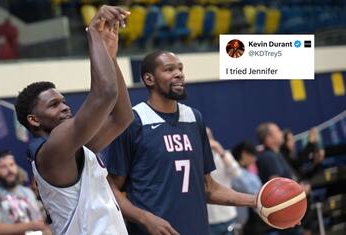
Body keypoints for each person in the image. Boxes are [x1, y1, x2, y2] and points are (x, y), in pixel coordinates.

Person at [104, 50, 257, 235]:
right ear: (149, 79)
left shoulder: (194, 118)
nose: (179, 74)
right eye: (169, 69)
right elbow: (112, 188)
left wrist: (256, 200)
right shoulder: (134, 121)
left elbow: (208, 187)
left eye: (180, 68)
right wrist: (144, 218)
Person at [14, 5, 133, 235]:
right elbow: (105, 93)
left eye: (64, 101)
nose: (65, 107)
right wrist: (93, 34)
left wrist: (110, 57)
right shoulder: (51, 152)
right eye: (53, 104)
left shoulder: (74, 148)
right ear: (34, 120)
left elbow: (121, 117)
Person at [0, 151, 50, 234]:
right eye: (3, 167)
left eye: (12, 165)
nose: (9, 170)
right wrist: (29, 225)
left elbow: (40, 225)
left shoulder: (27, 192)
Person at [206, 127, 241, 235]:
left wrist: (221, 152)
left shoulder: (224, 155)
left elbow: (236, 173)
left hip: (227, 214)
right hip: (208, 218)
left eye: (209, 137)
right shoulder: (195, 157)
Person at [231, 141, 264, 234]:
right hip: (242, 221)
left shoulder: (248, 171)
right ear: (244, 154)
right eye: (252, 156)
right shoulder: (234, 173)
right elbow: (249, 189)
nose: (254, 159)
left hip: (253, 216)